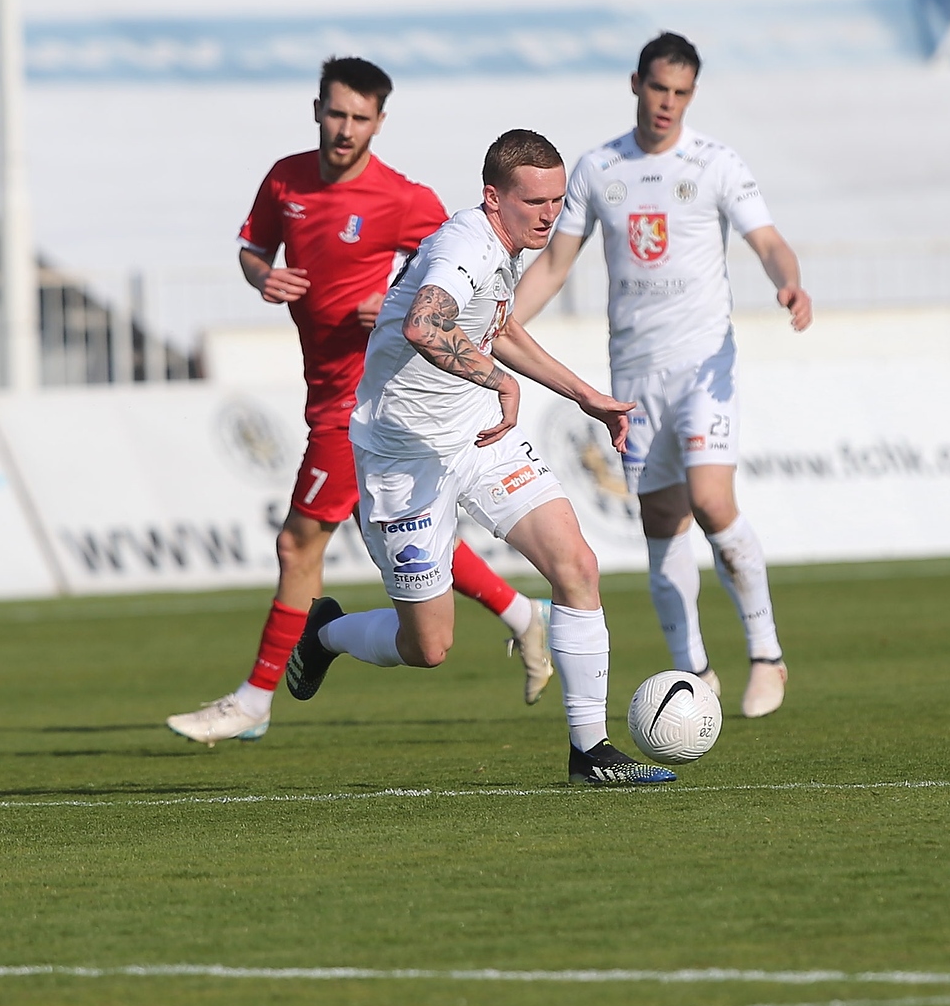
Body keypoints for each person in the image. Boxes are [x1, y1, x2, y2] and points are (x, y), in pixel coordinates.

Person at [166, 58, 549, 747]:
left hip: (365, 401)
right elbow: (252, 247)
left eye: (360, 118)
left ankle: (254, 699)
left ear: (379, 122)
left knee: (298, 543)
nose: (346, 130)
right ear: (317, 109)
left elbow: (455, 269)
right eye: (336, 114)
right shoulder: (286, 179)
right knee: (414, 536)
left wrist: (396, 298)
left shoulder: (401, 198)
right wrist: (262, 276)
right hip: (322, 388)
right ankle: (524, 615)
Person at [284, 129, 674, 787]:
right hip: (403, 457)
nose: (549, 215)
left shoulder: (508, 246)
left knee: (577, 566)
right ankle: (326, 631)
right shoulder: (465, 244)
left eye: (557, 200)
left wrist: (585, 396)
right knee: (428, 646)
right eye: (534, 202)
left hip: (479, 439)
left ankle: (590, 753)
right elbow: (425, 324)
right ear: (493, 198)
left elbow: (499, 327)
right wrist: (500, 382)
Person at [514, 33, 811, 719]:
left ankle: (766, 655)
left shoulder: (715, 163)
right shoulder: (599, 168)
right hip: (634, 373)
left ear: (692, 94)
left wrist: (789, 282)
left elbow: (768, 240)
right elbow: (555, 264)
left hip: (704, 365)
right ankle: (694, 672)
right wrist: (499, 324)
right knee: (661, 519)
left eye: (680, 92)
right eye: (657, 88)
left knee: (710, 500)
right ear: (636, 84)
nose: (667, 103)